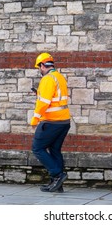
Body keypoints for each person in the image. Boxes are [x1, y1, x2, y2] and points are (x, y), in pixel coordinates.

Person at [30, 52, 70, 192]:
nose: (39, 70)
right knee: (54, 150)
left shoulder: (47, 79)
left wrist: (35, 118)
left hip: (51, 121)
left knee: (37, 148)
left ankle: (57, 175)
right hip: (64, 121)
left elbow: (44, 102)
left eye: (39, 67)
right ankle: (57, 184)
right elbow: (55, 98)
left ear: (42, 65)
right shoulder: (59, 77)